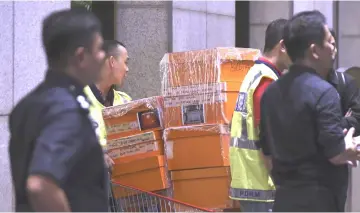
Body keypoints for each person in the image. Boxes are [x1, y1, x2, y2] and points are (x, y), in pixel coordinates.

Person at [259, 10, 360, 212]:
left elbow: (266, 153)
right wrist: (349, 147)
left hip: (284, 200)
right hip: (319, 202)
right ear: (314, 51)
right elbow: (335, 154)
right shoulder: (324, 93)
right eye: (330, 42)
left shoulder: (271, 92)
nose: (333, 49)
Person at [8, 9, 108, 211]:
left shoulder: (28, 103)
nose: (103, 56)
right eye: (99, 49)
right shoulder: (66, 109)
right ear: (81, 56)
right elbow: (40, 184)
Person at [229, 18, 291, 212]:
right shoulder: (266, 81)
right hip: (263, 185)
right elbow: (268, 141)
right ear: (282, 45)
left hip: (252, 183)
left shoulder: (256, 74)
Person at [83, 40, 131, 212]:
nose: (127, 69)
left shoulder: (125, 101)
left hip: (121, 192)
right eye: (125, 62)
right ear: (112, 62)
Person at [328, 29, 360, 135]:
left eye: (333, 44)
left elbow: (357, 119)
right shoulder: (303, 82)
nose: (332, 48)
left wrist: (335, 124)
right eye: (327, 44)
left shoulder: (346, 81)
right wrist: (343, 120)